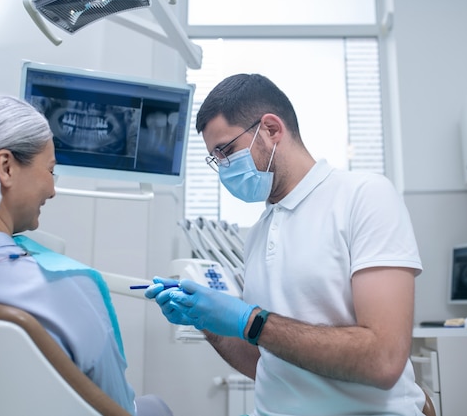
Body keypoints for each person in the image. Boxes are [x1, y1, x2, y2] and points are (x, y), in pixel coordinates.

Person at [145, 74, 426, 415]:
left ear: (272, 129)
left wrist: (251, 320)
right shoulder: (261, 231)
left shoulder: (364, 196)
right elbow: (270, 363)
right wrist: (206, 321)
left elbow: (383, 359)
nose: (221, 167)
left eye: (226, 150)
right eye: (215, 158)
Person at [0, 94, 172, 416]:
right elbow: (118, 405)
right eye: (50, 170)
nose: (52, 189)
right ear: (6, 167)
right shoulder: (69, 290)